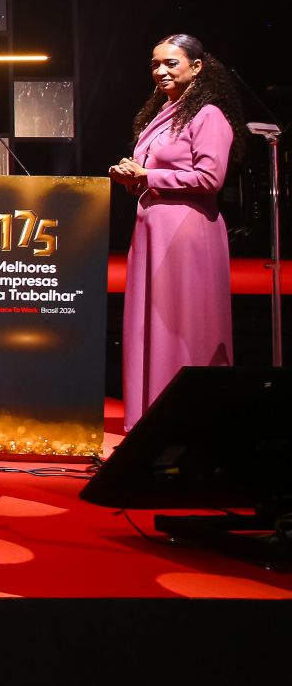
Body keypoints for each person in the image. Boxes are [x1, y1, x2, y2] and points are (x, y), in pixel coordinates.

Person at [110, 33, 241, 431]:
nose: (161, 70)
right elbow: (154, 170)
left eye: (171, 63)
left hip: (186, 230)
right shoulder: (165, 113)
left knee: (180, 324)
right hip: (152, 226)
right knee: (149, 322)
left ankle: (185, 419)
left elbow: (210, 178)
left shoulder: (208, 115)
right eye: (155, 64)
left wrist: (148, 175)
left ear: (196, 67)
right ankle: (149, 416)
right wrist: (132, 176)